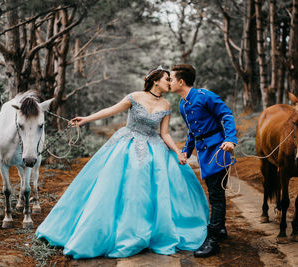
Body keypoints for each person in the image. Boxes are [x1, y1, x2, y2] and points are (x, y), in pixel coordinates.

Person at [35, 66, 209, 259]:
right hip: (128, 144)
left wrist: (178, 152)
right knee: (118, 188)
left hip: (156, 149)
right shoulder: (135, 97)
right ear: (155, 80)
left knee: (152, 192)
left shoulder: (167, 105)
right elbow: (110, 110)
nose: (170, 82)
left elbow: (165, 133)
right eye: (167, 79)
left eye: (171, 79)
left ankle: (149, 232)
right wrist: (85, 119)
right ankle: (115, 232)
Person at [169, 64, 237, 257]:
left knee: (215, 194)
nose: (169, 82)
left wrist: (230, 139)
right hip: (203, 152)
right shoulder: (182, 104)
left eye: (171, 79)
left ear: (181, 81)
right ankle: (220, 228)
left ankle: (213, 240)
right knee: (214, 191)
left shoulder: (205, 96)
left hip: (218, 149)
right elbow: (193, 131)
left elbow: (226, 115)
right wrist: (185, 151)